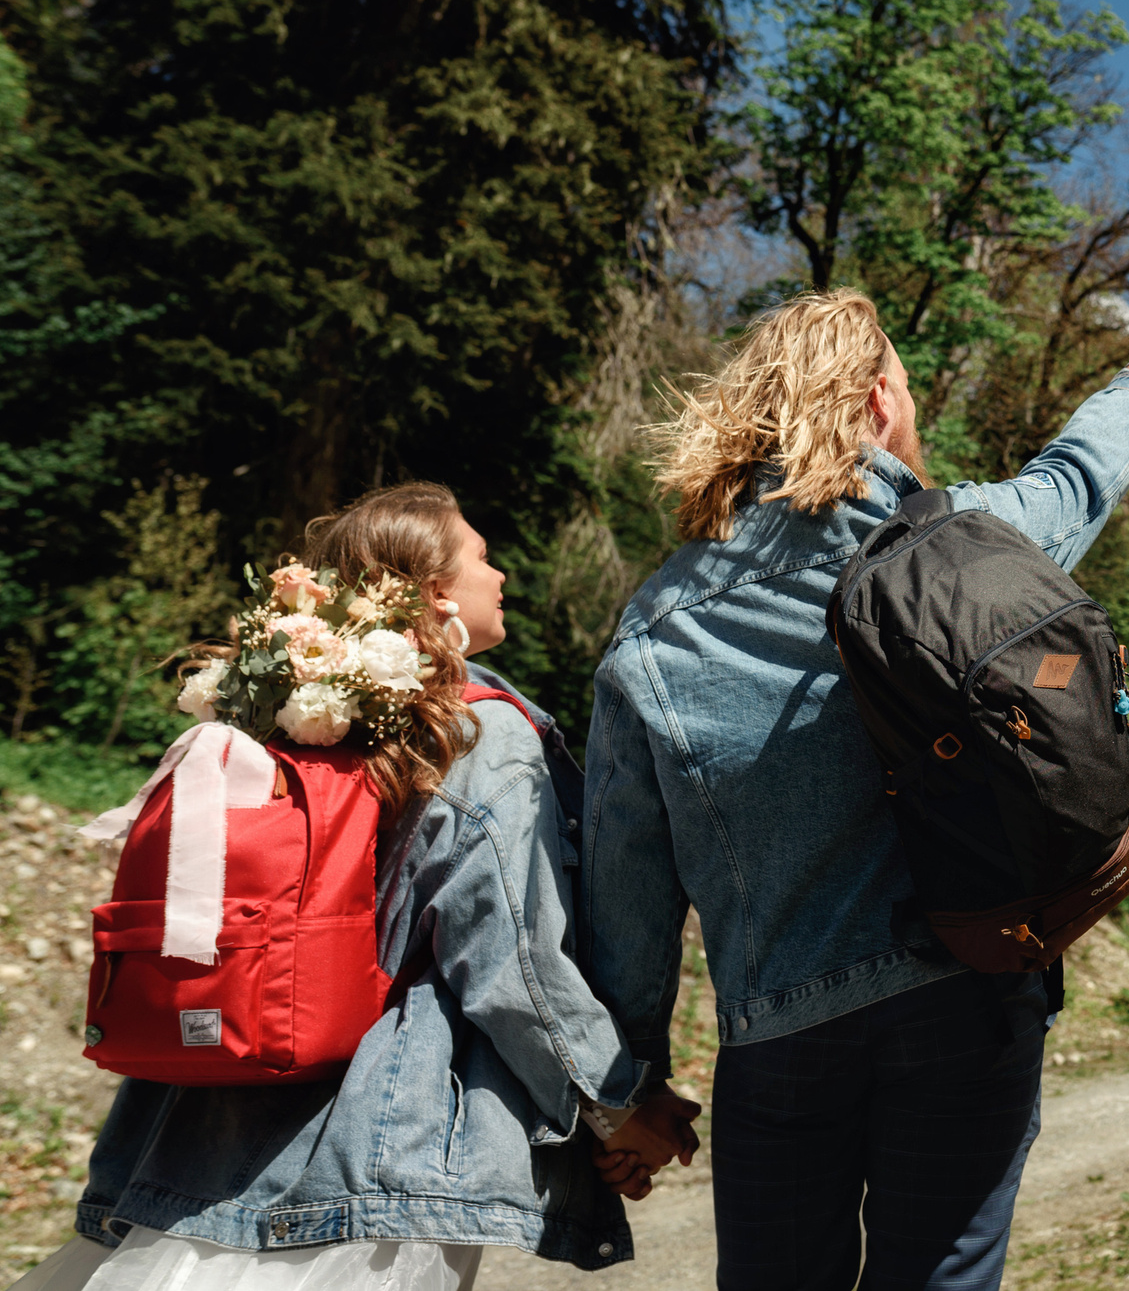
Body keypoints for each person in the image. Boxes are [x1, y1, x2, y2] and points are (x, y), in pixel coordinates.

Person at [583, 290, 1129, 1291]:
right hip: (965, 993)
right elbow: (1079, 475)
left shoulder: (656, 628)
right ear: (878, 402)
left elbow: (626, 885)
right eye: (908, 392)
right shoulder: (967, 542)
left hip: (778, 1032)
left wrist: (627, 1088)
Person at [17, 484, 702, 1291]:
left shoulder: (289, 722)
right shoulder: (478, 730)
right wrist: (617, 1103)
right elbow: (512, 959)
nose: (502, 573)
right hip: (380, 1145)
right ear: (436, 591)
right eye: (483, 556)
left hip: (207, 1136)